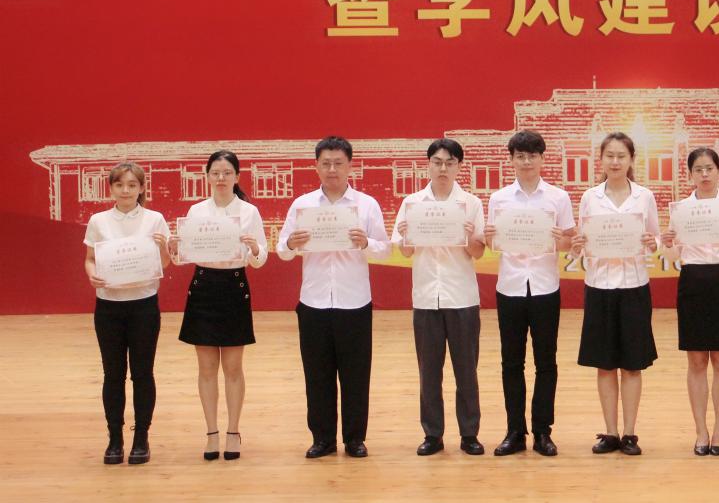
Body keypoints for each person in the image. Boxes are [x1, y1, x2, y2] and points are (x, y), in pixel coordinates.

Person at [275, 136, 389, 459]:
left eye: (338, 163)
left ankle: (355, 439)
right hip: (314, 302)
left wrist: (365, 242)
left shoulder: (366, 205)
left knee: (356, 374)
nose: (332, 169)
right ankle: (323, 439)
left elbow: (384, 250)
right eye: (325, 163)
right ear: (316, 166)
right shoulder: (302, 205)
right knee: (317, 374)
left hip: (355, 302)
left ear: (350, 166)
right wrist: (293, 243)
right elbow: (282, 250)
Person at [168, 150, 268, 461]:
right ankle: (211, 433)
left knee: (233, 368)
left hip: (234, 286)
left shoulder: (249, 212)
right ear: (207, 176)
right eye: (215, 173)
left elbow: (260, 259)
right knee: (207, 368)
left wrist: (255, 248)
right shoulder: (196, 211)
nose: (221, 178)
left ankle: (233, 432)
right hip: (203, 287)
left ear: (237, 176)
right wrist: (174, 248)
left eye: (227, 173)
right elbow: (182, 258)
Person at [393, 138, 486, 457]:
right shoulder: (412, 204)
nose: (443, 168)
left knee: (466, 371)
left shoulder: (471, 203)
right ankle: (432, 434)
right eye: (437, 162)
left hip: (462, 297)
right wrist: (407, 234)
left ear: (459, 166)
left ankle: (469, 434)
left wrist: (468, 236)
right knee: (429, 372)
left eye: (449, 162)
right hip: (425, 297)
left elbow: (478, 252)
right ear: (428, 165)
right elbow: (406, 251)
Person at [484, 130, 575, 458]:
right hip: (510, 286)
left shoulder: (558, 198)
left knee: (546, 362)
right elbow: (492, 244)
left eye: (532, 156)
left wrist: (561, 239)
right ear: (511, 160)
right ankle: (514, 431)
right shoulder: (499, 199)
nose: (526, 162)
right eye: (520, 156)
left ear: (542, 159)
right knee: (511, 362)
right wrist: (489, 236)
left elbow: (568, 242)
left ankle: (542, 431)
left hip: (545, 286)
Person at [572, 132, 660, 456]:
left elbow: (656, 239)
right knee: (605, 364)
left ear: (631, 160)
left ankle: (630, 433)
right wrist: (579, 245)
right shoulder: (590, 198)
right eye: (609, 155)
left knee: (633, 365)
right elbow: (582, 245)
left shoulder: (644, 197)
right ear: (601, 160)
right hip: (600, 287)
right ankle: (610, 432)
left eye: (621, 156)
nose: (615, 161)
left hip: (634, 287)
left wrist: (652, 242)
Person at [660, 147, 719, 456]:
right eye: (698, 169)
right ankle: (701, 431)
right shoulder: (682, 209)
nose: (705, 174)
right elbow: (673, 256)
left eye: (709, 168)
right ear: (690, 175)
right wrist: (667, 243)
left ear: (718, 170)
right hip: (693, 281)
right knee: (696, 360)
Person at [83, 162, 170, 465]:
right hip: (108, 306)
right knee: (113, 374)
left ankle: (141, 437)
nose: (125, 190)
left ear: (142, 188)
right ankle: (115, 438)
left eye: (132, 185)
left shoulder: (154, 219)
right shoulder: (98, 220)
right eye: (119, 185)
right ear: (111, 188)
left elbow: (165, 263)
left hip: (143, 305)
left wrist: (163, 248)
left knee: (143, 373)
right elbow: (90, 258)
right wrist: (91, 274)